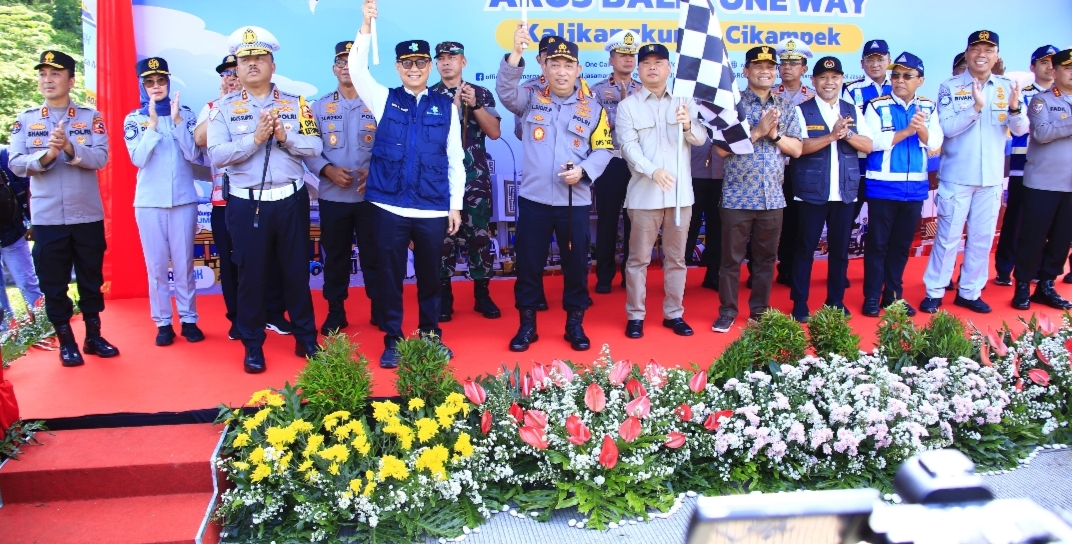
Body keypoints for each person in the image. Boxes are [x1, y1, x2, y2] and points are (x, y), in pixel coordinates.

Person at [350, 0, 464, 368]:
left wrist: (455, 205)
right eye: (407, 63)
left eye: (420, 63)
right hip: (389, 205)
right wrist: (365, 28)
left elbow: (455, 158)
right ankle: (393, 340)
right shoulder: (384, 98)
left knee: (431, 277)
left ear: (429, 66)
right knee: (390, 277)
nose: (414, 69)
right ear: (398, 67)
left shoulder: (446, 107)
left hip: (432, 206)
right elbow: (356, 69)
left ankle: (430, 337)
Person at [208, 27, 323, 373]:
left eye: (260, 57)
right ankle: (253, 344)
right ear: (237, 67)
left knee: (295, 272)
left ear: (273, 65)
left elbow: (315, 147)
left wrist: (286, 138)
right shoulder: (222, 109)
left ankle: (306, 338)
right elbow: (217, 155)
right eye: (245, 59)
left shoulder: (297, 104)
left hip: (290, 200)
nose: (253, 63)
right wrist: (255, 140)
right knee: (251, 276)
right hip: (247, 204)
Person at [496, 27, 613, 351]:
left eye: (568, 65)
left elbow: (604, 148)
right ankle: (527, 326)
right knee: (529, 264)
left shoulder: (593, 108)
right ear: (545, 67)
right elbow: (505, 92)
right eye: (555, 64)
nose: (562, 71)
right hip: (534, 200)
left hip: (574, 202)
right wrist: (515, 54)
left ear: (578, 69)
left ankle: (574, 325)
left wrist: (584, 170)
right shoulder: (531, 98)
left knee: (576, 267)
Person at [8, 50, 119, 367]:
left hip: (86, 215)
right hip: (48, 219)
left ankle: (93, 336)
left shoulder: (90, 117)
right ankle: (66, 341)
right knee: (53, 282)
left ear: (70, 80)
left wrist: (70, 147)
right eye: (43, 74)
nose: (47, 79)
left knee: (90, 278)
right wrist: (47, 155)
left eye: (55, 74)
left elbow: (100, 158)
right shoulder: (26, 120)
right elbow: (16, 163)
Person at [921, 30, 1027, 314]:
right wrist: (975, 108)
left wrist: (1015, 108)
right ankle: (935, 291)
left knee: (981, 239)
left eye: (988, 50)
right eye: (976, 49)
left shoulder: (1006, 87)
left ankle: (969, 291)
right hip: (957, 176)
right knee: (947, 238)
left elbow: (1020, 129)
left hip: (991, 178)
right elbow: (947, 128)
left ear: (996, 55)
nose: (982, 55)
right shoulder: (950, 87)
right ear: (967, 53)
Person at [195, 54, 293, 341]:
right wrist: (222, 102)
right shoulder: (214, 107)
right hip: (225, 201)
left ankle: (274, 313)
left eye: (233, 73)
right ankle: (238, 318)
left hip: (263, 198)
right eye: (226, 74)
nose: (231, 78)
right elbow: (200, 140)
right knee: (232, 262)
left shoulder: (264, 103)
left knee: (272, 259)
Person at [711, 46, 802, 333]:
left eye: (770, 66)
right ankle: (727, 312)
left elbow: (796, 149)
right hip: (737, 197)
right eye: (758, 66)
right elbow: (722, 150)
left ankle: (760, 312)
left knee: (765, 260)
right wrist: (758, 132)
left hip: (772, 198)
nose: (765, 71)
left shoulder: (786, 106)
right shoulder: (732, 106)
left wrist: (774, 135)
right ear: (746, 70)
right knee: (731, 260)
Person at [617, 43, 706, 339]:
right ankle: (635, 315)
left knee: (677, 260)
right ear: (639, 69)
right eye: (646, 63)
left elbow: (700, 139)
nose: (652, 67)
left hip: (680, 197)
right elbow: (628, 147)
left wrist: (688, 124)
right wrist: (652, 170)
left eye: (659, 62)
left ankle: (674, 314)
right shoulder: (628, 106)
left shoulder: (684, 101)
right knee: (638, 260)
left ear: (669, 68)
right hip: (644, 195)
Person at [124, 57, 204, 346]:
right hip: (149, 203)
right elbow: (138, 159)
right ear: (142, 86)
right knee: (157, 267)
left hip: (183, 200)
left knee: (184, 265)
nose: (156, 87)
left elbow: (195, 156)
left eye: (160, 81)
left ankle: (189, 319)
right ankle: (163, 323)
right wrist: (154, 126)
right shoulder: (135, 119)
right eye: (149, 82)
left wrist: (178, 122)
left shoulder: (186, 114)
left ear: (168, 83)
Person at [304, 40, 383, 335]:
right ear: (334, 69)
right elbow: (309, 148)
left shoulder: (378, 103)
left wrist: (375, 172)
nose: (347, 67)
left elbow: (391, 146)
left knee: (375, 256)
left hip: (370, 197)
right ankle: (336, 311)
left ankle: (379, 308)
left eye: (353, 61)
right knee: (335, 258)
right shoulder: (319, 107)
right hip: (333, 197)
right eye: (341, 62)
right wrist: (327, 170)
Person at [788, 57, 874, 323]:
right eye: (823, 77)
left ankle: (836, 301)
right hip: (811, 192)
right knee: (804, 249)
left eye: (835, 77)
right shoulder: (801, 110)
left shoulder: (852, 110)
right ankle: (800, 303)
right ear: (813, 81)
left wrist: (847, 135)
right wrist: (831, 136)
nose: (829, 82)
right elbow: (798, 148)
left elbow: (868, 145)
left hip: (845, 192)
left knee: (839, 251)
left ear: (841, 80)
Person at [860, 52, 942, 318]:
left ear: (921, 80)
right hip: (882, 187)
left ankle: (893, 296)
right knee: (877, 245)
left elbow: (935, 143)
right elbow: (872, 142)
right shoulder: (876, 105)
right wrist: (906, 131)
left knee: (900, 246)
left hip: (915, 188)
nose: (899, 80)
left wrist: (921, 130)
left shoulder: (929, 106)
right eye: (895, 75)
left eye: (907, 76)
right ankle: (872, 296)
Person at [431, 41, 504, 321]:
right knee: (442, 238)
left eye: (453, 57)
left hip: (475, 179)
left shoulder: (480, 92)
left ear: (464, 62)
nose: (447, 62)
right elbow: (430, 136)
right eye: (442, 58)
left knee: (479, 237)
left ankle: (482, 294)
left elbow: (494, 132)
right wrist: (451, 108)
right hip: (441, 179)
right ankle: (444, 296)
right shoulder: (428, 94)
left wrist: (475, 105)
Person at [1011, 48, 1072, 310]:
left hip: (1070, 185)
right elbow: (1042, 133)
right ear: (1055, 71)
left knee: (1062, 239)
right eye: (1067, 68)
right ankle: (1023, 285)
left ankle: (1046, 285)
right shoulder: (1041, 100)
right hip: (1043, 183)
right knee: (1032, 238)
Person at [995, 45, 1058, 286]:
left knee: (1046, 222)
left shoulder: (1064, 95)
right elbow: (1019, 127)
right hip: (1024, 166)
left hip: (1056, 170)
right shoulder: (1022, 94)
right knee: (1015, 220)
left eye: (1053, 62)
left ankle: (1037, 269)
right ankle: (1004, 269)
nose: (1049, 67)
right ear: (1033, 67)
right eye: (1044, 62)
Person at [590, 30, 641, 295]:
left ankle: (630, 276)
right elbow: (592, 127)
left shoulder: (644, 90)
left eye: (632, 55)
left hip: (637, 162)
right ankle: (604, 276)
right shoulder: (598, 91)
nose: (628, 59)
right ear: (611, 59)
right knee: (608, 220)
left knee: (635, 220)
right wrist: (622, 109)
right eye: (622, 55)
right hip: (610, 160)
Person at [771, 38, 815, 286]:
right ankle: (761, 271)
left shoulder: (813, 97)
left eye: (794, 63)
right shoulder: (769, 93)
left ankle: (790, 269)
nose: (787, 67)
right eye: (784, 63)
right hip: (774, 167)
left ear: (804, 68)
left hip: (802, 167)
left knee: (798, 222)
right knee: (771, 221)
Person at [843, 39, 893, 221]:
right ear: (862, 63)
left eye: (880, 59)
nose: (875, 64)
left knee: (881, 221)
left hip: (889, 164)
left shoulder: (898, 86)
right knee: (848, 217)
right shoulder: (851, 89)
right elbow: (849, 125)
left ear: (889, 61)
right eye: (870, 60)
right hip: (859, 163)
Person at [0, 146, 44, 330]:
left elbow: (29, 188)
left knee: (27, 282)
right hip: (12, 230)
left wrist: (34, 221)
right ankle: (5, 330)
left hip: (12, 232)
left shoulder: (5, 156)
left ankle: (42, 324)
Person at [687, 140, 724, 290]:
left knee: (717, 228)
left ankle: (713, 274)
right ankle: (678, 278)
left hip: (721, 175)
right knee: (688, 226)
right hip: (692, 174)